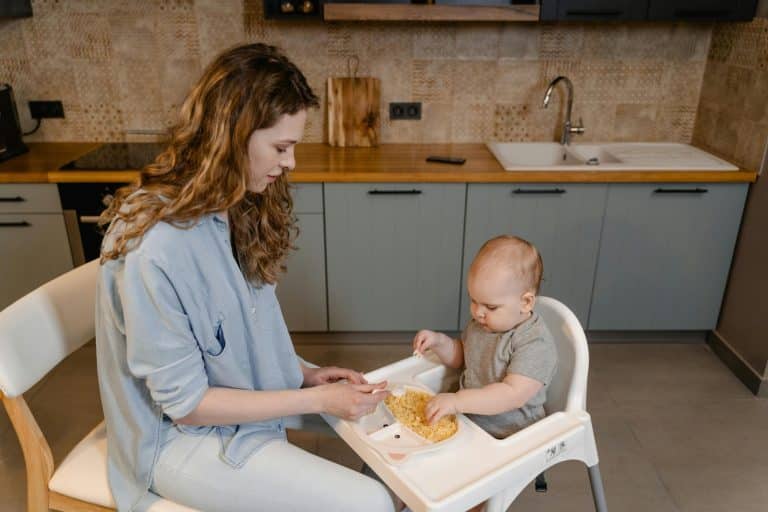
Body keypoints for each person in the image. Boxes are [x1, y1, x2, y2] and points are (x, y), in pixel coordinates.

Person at [95, 43, 394, 512]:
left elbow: (235, 337)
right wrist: (316, 402)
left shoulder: (233, 206)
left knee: (388, 419)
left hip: (226, 413)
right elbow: (187, 405)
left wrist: (305, 375)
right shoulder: (157, 247)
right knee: (371, 501)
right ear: (233, 137)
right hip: (174, 444)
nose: (290, 163)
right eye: (281, 147)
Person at [412, 235, 558, 439]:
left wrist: (457, 401)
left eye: (490, 306)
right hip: (468, 422)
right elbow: (464, 357)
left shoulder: (535, 344)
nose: (478, 312)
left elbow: (512, 394)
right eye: (473, 300)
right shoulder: (484, 323)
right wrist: (439, 342)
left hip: (509, 437)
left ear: (525, 303)